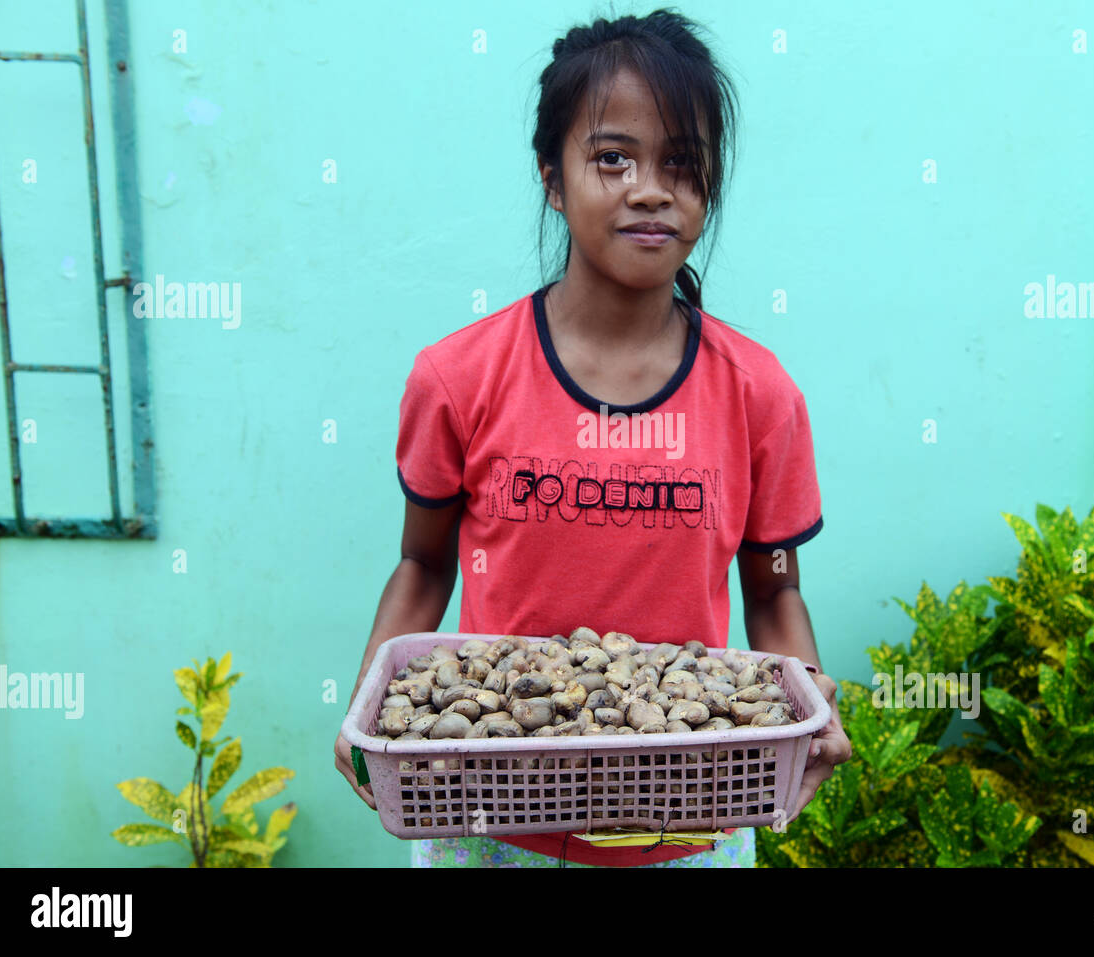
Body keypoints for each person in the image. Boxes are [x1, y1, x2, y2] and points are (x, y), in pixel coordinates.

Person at [334, 8, 851, 868]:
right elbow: (424, 563)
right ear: (551, 176)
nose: (650, 188)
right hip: (491, 821)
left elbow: (773, 590)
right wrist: (366, 710)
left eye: (681, 164)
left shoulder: (760, 393)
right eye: (612, 158)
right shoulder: (458, 377)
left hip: (688, 827)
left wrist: (810, 712)